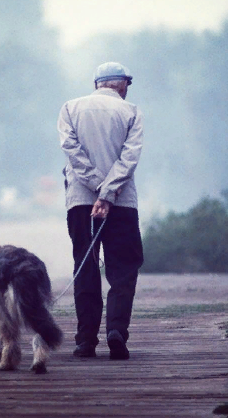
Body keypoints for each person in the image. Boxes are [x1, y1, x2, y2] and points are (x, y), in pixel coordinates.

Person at [57, 62, 144, 360]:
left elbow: (72, 151)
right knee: (123, 269)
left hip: (81, 201)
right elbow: (129, 158)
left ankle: (85, 342)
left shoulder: (70, 108)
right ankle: (116, 331)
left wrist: (95, 188)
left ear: (97, 84)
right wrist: (107, 194)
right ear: (121, 85)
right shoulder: (131, 112)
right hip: (122, 203)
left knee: (86, 266)